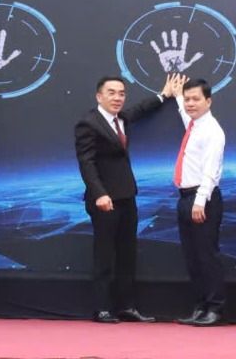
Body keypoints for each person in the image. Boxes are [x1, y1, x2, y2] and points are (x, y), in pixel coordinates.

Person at [75, 74, 180, 323]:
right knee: (104, 254)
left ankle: (127, 306)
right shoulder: (88, 123)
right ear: (99, 96)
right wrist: (100, 193)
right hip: (104, 200)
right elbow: (86, 163)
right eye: (111, 93)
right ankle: (101, 308)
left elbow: (140, 110)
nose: (117, 98)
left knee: (127, 253)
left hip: (127, 196)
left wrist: (163, 95)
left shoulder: (120, 118)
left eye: (121, 93)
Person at [170, 76, 227, 327]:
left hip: (202, 199)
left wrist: (200, 201)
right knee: (192, 257)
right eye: (188, 99)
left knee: (206, 256)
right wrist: (176, 97)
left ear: (209, 101)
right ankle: (200, 306)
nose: (190, 104)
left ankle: (215, 308)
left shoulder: (212, 131)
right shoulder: (194, 125)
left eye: (196, 99)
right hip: (185, 198)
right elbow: (185, 114)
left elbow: (211, 172)